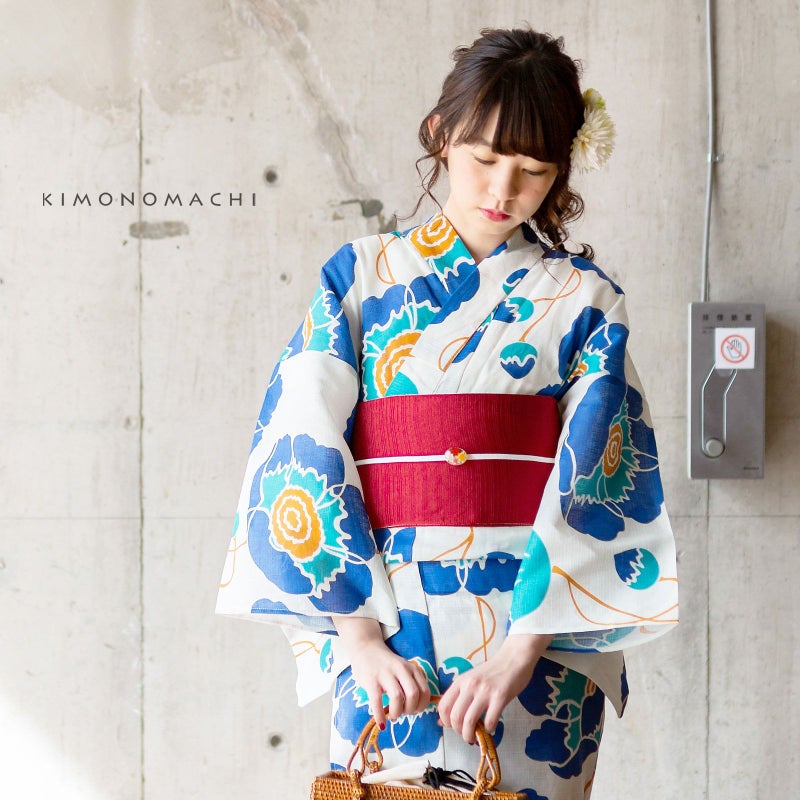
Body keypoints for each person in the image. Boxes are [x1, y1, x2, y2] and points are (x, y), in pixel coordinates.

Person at [216, 27, 678, 799]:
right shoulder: (361, 277)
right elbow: (302, 445)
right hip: (390, 629)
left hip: (535, 637)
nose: (503, 189)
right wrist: (360, 639)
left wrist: (521, 651)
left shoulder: (584, 301)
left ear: (563, 169)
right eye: (484, 159)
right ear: (440, 133)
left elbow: (600, 483)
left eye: (533, 171)